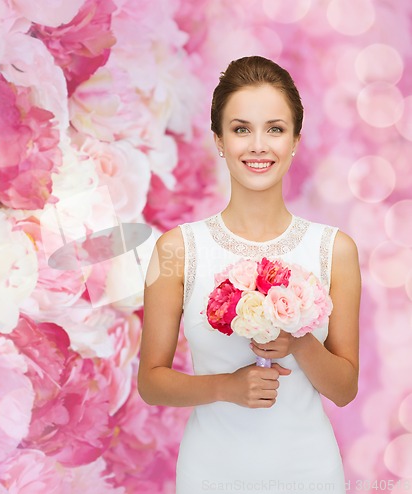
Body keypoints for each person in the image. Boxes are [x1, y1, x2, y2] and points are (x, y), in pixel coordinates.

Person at [138, 56, 360, 494]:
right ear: (219, 140)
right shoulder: (177, 250)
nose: (258, 146)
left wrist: (298, 341)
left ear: (295, 140)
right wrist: (227, 387)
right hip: (211, 473)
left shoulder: (334, 250)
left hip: (309, 473)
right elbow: (151, 382)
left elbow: (344, 389)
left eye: (274, 129)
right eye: (241, 129)